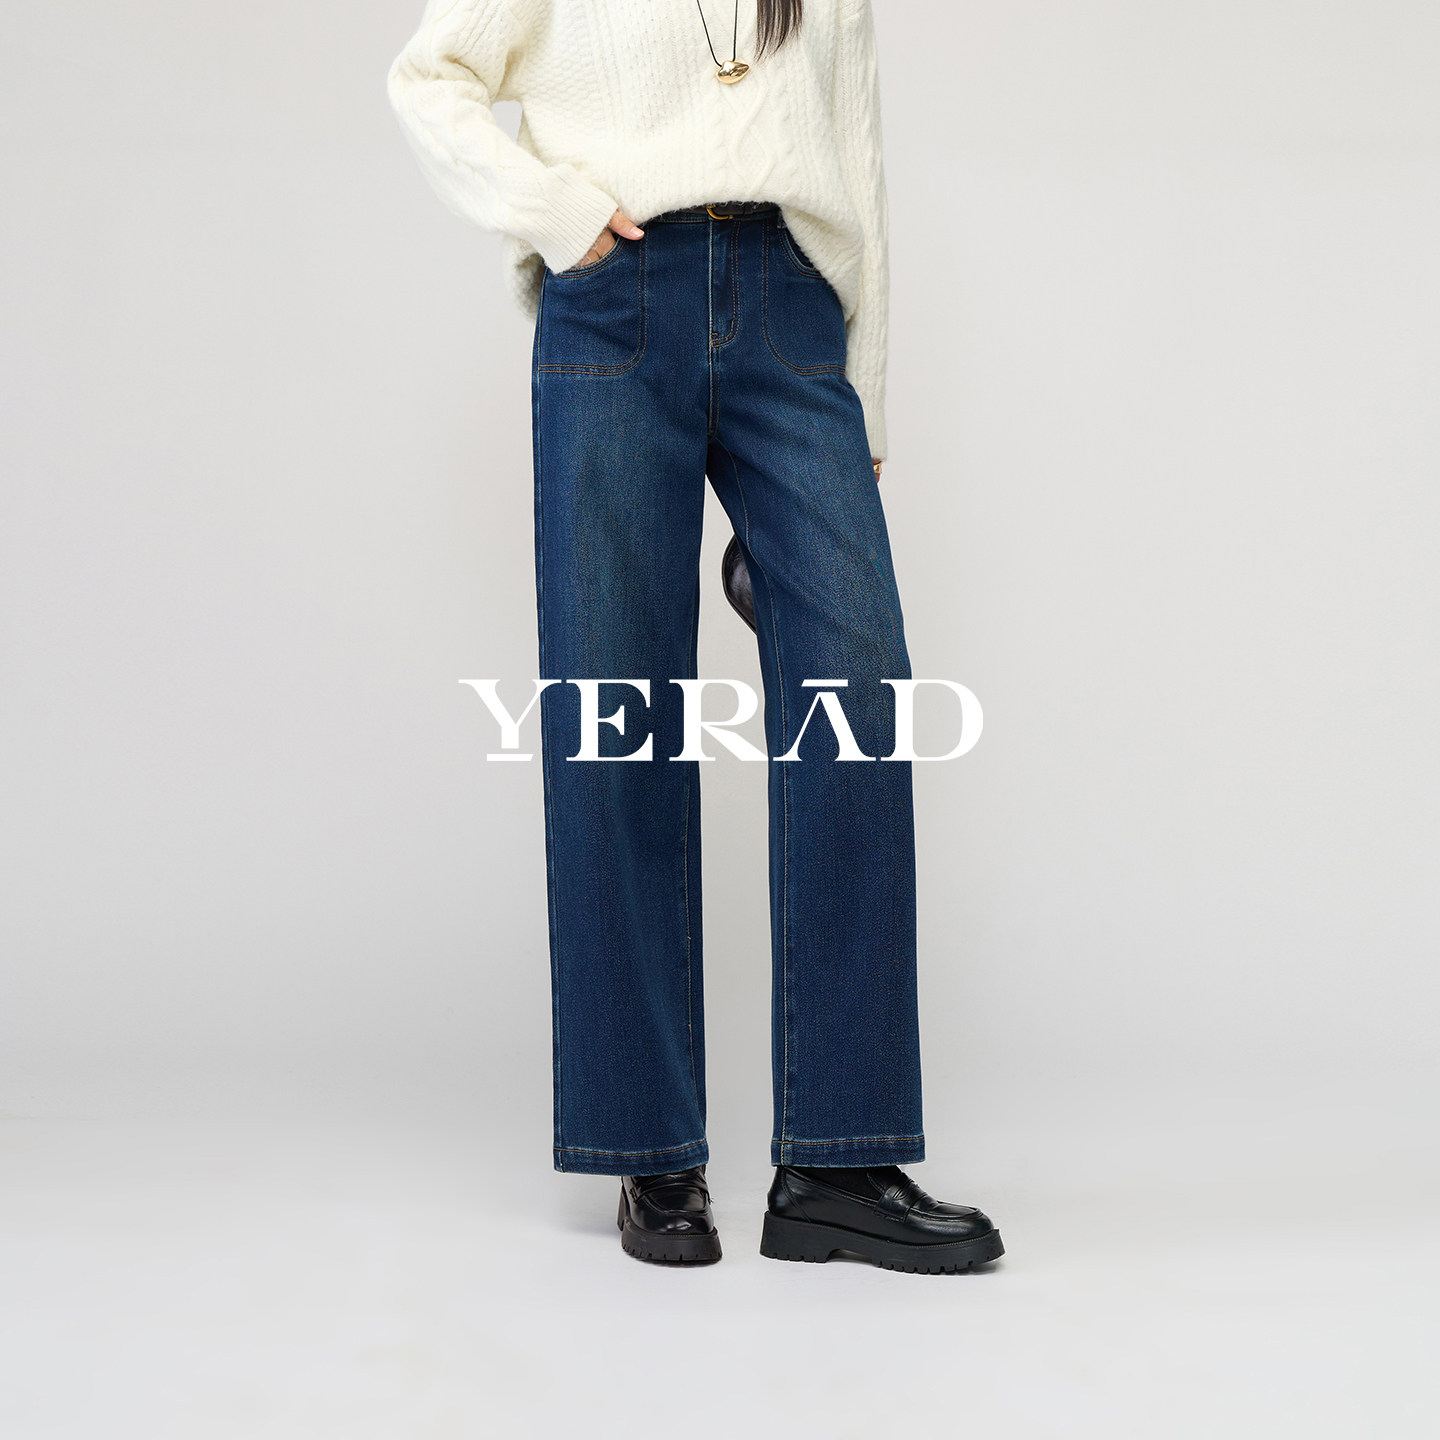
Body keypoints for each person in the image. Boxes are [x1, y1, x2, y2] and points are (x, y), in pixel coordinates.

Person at [388, 0, 1003, 1272]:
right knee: (619, 715)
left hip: (791, 305)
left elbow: (854, 146)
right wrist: (554, 213)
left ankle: (838, 1162)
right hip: (619, 301)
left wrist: (868, 396)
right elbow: (428, 76)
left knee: (858, 696)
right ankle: (649, 1148)